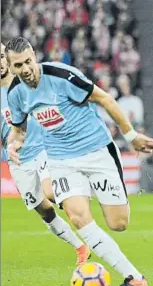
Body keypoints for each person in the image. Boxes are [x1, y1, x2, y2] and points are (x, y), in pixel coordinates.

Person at [5, 37, 153, 286]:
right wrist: (13, 143)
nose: (26, 69)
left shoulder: (62, 76)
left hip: (97, 151)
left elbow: (105, 99)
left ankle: (96, 195)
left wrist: (131, 136)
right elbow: (18, 129)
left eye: (28, 61)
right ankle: (134, 277)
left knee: (118, 224)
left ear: (34, 55)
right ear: (11, 68)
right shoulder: (16, 93)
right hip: (61, 159)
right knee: (77, 216)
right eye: (19, 65)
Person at [1, 42, 90, 266]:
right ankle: (80, 247)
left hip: (43, 147)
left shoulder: (26, 81)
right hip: (19, 160)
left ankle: (82, 205)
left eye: (1, 57)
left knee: (51, 192)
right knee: (43, 210)